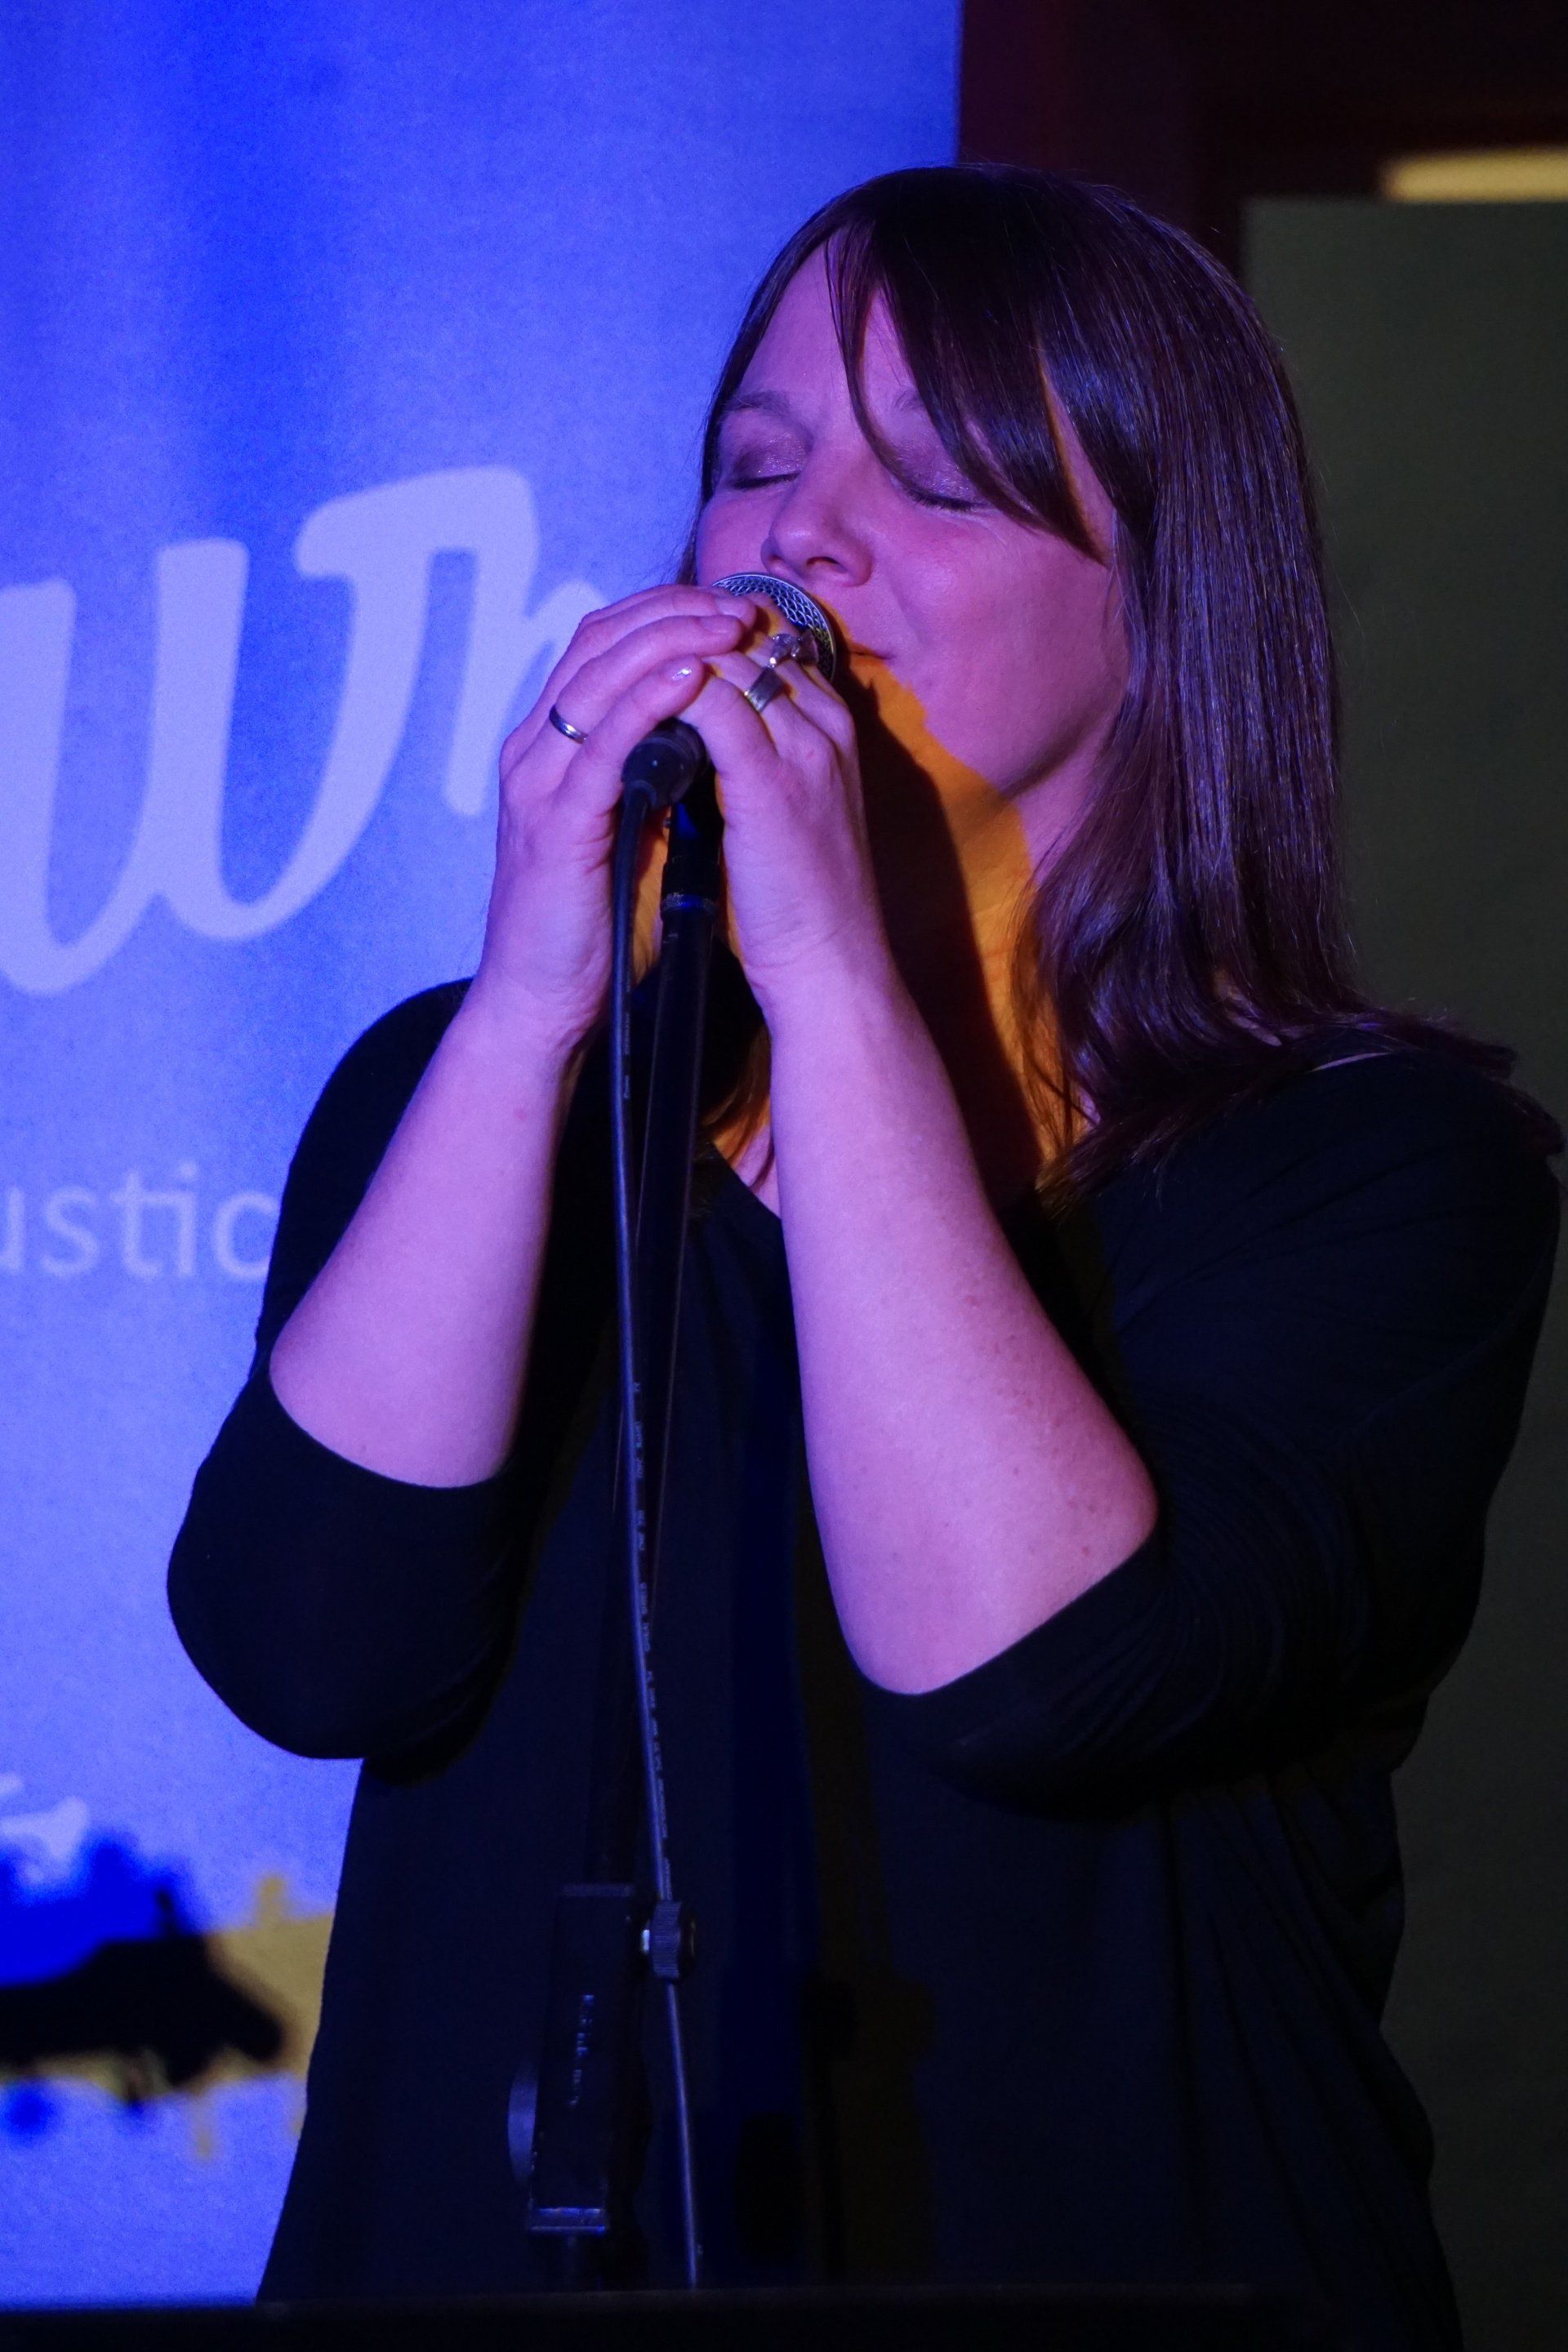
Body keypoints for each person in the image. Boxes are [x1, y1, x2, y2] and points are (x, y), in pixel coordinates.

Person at [168, 166, 1559, 2345]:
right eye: (755, 462)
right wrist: (530, 1003)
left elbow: (1026, 1677)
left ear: (1165, 593)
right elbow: (308, 1648)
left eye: (933, 478)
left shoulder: (1372, 1166)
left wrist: (830, 974)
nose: (801, 542)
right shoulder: (488, 1089)